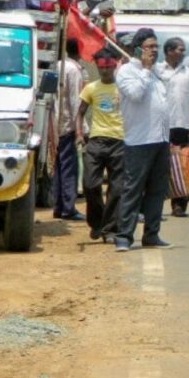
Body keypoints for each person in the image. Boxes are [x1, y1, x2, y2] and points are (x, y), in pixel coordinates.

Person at [114, 28, 173, 251]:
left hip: (160, 138)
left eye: (156, 47)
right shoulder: (127, 72)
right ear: (138, 49)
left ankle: (151, 234)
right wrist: (146, 70)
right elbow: (136, 94)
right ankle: (123, 236)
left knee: (157, 190)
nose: (154, 51)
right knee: (133, 189)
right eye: (150, 47)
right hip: (138, 141)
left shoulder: (158, 72)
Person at [77, 49, 125, 242]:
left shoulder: (124, 88)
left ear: (115, 65)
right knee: (90, 184)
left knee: (117, 189)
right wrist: (79, 133)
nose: (105, 71)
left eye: (108, 67)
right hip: (96, 141)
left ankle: (110, 228)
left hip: (120, 141)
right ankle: (97, 223)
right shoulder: (91, 88)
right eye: (101, 67)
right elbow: (80, 112)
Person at [156, 37, 189, 217]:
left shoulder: (187, 72)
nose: (183, 53)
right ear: (169, 51)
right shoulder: (157, 70)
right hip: (162, 125)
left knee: (182, 166)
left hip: (182, 124)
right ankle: (155, 203)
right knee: (161, 166)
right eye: (180, 49)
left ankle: (179, 204)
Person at [54, 38, 85, 221]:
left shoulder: (57, 66)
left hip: (56, 123)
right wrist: (80, 128)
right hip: (67, 124)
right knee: (68, 167)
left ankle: (59, 206)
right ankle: (67, 207)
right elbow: (76, 101)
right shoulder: (73, 70)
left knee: (58, 167)